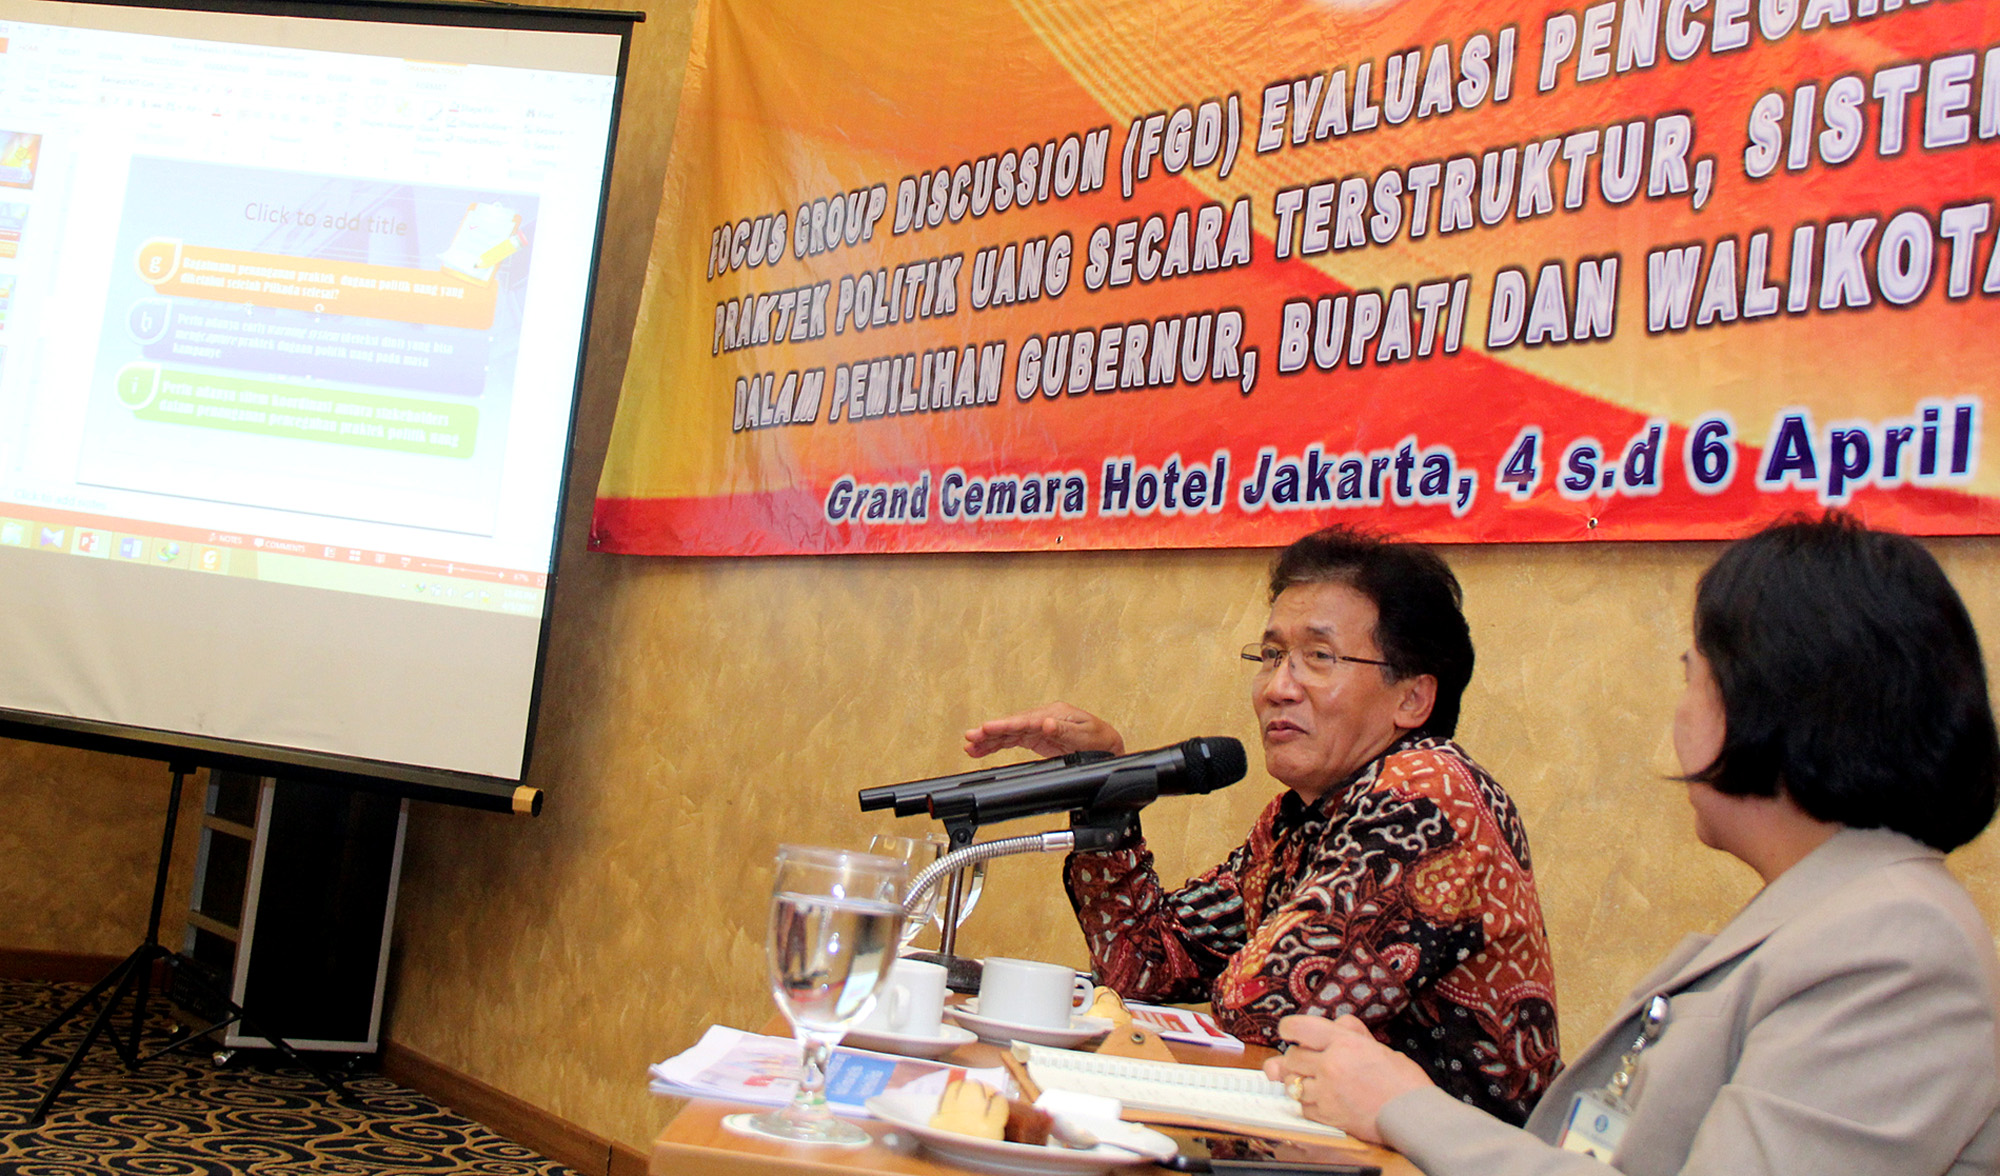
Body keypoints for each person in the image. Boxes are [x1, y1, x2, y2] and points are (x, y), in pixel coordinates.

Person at [1266, 514, 2000, 1175]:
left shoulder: (1898, 950)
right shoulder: (1829, 915)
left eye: (1694, 680)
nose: (1677, 722)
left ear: (1778, 703)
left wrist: (1402, 1104)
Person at [965, 526, 1560, 1124]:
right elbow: (1144, 964)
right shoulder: (1298, 818)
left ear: (1411, 699)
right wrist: (1106, 786)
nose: (1278, 688)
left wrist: (1237, 978)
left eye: (1319, 657)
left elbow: (1266, 1008)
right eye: (1272, 656)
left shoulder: (1428, 799)